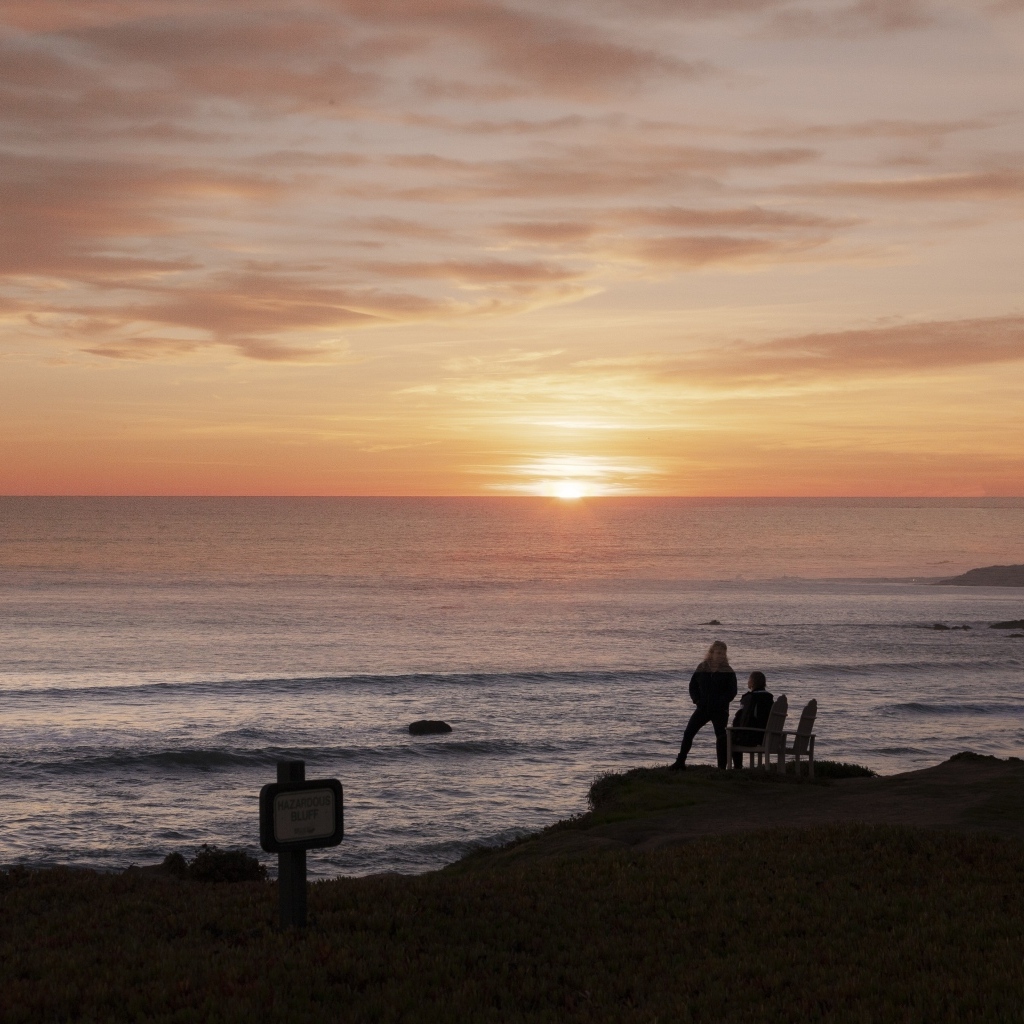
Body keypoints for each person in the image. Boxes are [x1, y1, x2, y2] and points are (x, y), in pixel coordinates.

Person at [670, 640, 737, 770]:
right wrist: (697, 700)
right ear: (711, 653)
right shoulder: (702, 667)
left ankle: (721, 768)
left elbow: (732, 692)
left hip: (720, 710)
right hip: (702, 708)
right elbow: (693, 685)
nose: (721, 655)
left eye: (723, 653)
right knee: (689, 733)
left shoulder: (728, 671)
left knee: (721, 737)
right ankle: (680, 762)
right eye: (718, 653)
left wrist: (720, 702)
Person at [729, 671, 774, 769]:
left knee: (728, 737)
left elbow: (741, 721)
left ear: (752, 683)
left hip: (753, 737)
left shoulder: (749, 698)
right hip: (769, 737)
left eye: (749, 679)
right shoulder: (770, 699)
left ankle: (737, 767)